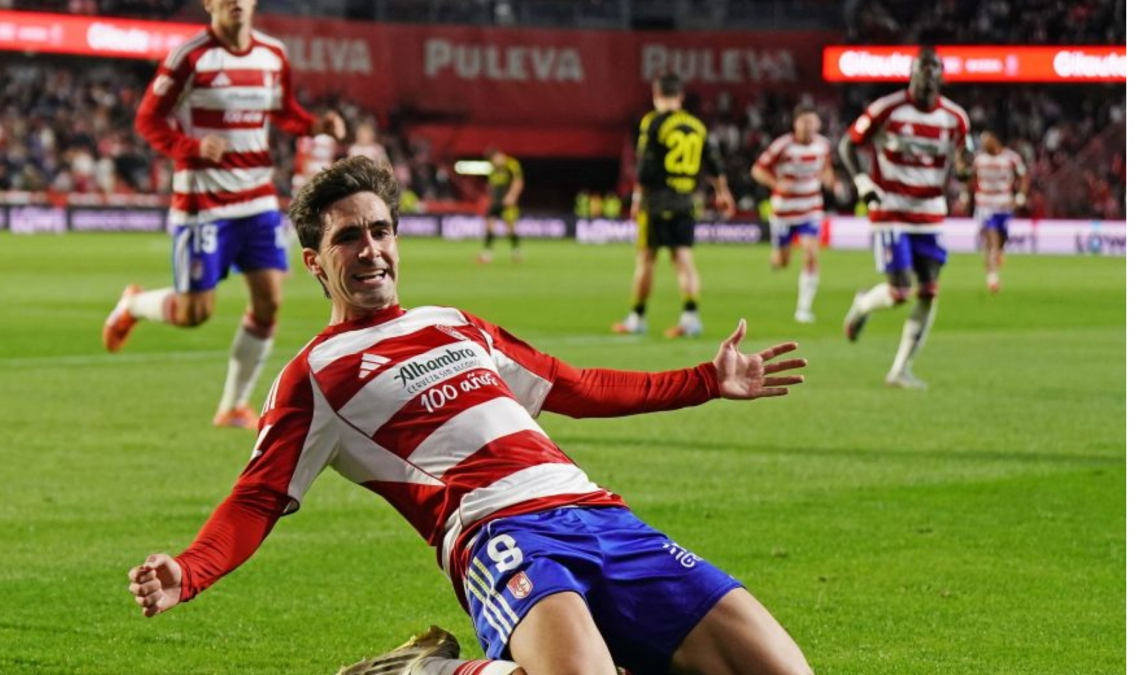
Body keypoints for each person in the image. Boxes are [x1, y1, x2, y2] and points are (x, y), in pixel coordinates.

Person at [127, 157, 812, 675]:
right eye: (347, 238)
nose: (370, 249)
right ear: (314, 262)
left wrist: (705, 380)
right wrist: (190, 570)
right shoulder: (314, 376)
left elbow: (575, 386)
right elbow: (258, 497)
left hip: (603, 517)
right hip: (500, 535)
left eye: (380, 230)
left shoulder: (454, 323)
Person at [101, 0, 346, 429]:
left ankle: (233, 406)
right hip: (204, 203)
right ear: (209, 4)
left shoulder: (272, 54)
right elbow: (148, 120)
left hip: (257, 198)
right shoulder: (190, 57)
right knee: (195, 313)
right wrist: (191, 147)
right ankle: (134, 304)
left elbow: (283, 110)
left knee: (269, 300)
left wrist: (314, 125)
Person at [838, 47, 972, 389]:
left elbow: (963, 162)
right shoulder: (887, 109)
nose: (926, 81)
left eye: (932, 74)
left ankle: (900, 370)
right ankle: (863, 305)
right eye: (920, 74)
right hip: (891, 210)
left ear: (941, 78)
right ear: (911, 75)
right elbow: (847, 144)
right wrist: (862, 181)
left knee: (928, 291)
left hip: (930, 213)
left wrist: (965, 171)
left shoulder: (955, 118)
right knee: (899, 292)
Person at [613, 73, 735, 339]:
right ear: (680, 96)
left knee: (646, 260)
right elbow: (714, 163)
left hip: (656, 201)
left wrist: (636, 200)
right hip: (686, 200)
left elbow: (645, 167)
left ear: (656, 95)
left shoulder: (653, 122)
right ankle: (691, 319)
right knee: (684, 259)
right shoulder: (696, 125)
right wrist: (723, 193)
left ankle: (637, 318)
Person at [751, 104, 837, 324]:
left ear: (818, 124)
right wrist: (776, 184)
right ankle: (776, 259)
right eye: (804, 121)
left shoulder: (823, 145)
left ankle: (804, 309)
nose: (808, 126)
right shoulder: (782, 145)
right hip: (784, 212)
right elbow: (758, 170)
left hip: (811, 208)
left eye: (812, 121)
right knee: (782, 262)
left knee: (811, 254)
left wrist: (832, 182)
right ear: (795, 123)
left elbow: (826, 168)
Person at [970, 130, 1028, 293]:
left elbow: (1024, 177)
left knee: (1002, 238)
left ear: (995, 140)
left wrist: (1020, 197)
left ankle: (998, 253)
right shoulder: (979, 159)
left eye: (986, 140)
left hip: (1004, 204)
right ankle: (992, 278)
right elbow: (971, 179)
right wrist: (965, 196)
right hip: (985, 205)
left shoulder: (1012, 158)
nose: (983, 144)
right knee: (991, 239)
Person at [478, 149, 525, 264]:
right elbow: (491, 185)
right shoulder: (493, 169)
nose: (495, 161)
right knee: (489, 224)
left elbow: (518, 182)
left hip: (507, 201)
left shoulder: (512, 165)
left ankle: (516, 251)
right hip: (496, 201)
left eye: (496, 159)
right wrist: (490, 197)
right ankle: (487, 254)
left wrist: (512, 196)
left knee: (510, 228)